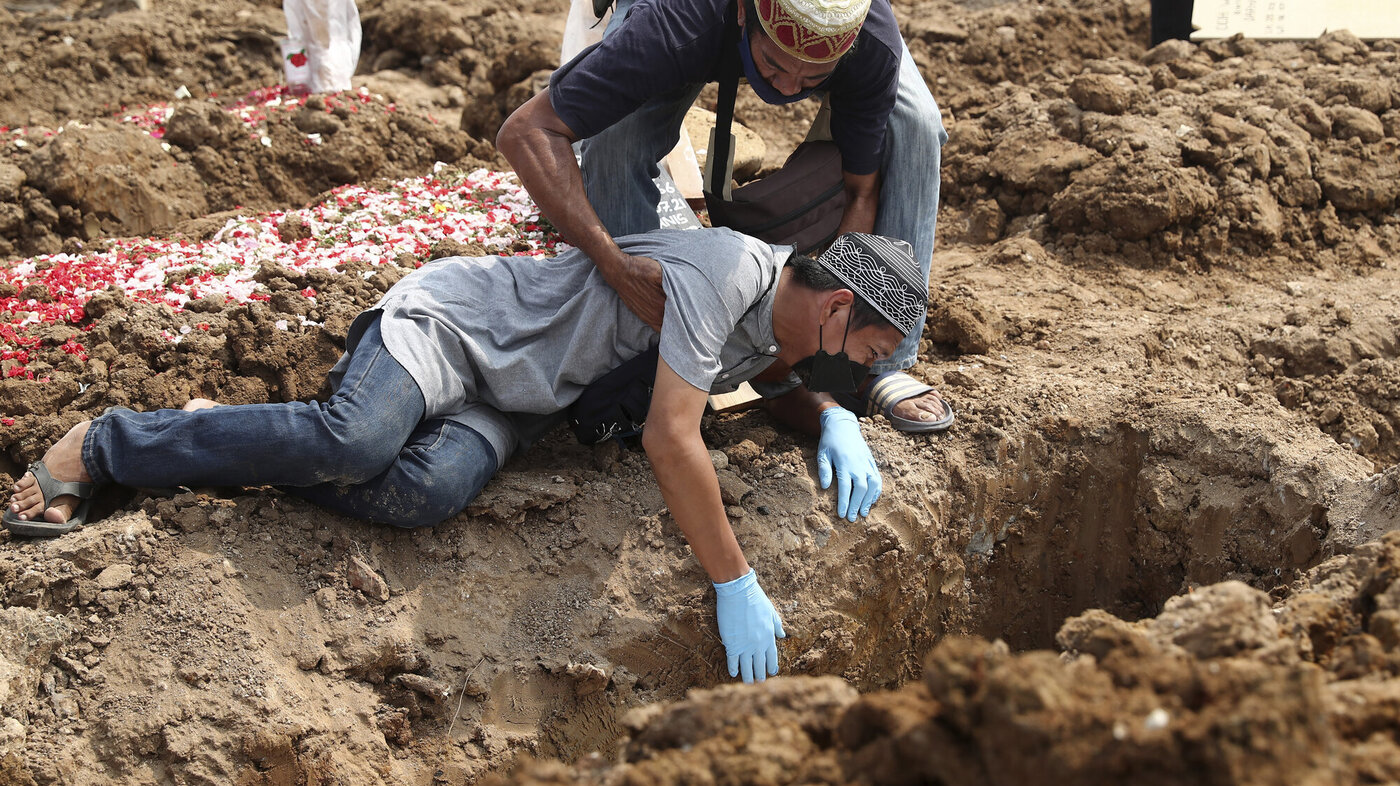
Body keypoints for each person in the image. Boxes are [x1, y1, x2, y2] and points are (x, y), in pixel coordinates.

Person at [5, 230, 928, 684]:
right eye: (866, 353)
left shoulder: (781, 318)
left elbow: (767, 373)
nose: (856, 372)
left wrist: (825, 420)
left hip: (513, 402)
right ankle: (106, 443)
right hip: (456, 331)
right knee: (353, 439)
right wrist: (733, 578)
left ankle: (233, 437)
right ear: (840, 310)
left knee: (427, 490)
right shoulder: (731, 271)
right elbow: (669, 436)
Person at [497, 0, 953, 434]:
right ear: (743, 12)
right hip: (694, 27)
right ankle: (645, 342)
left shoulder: (869, 38)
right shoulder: (673, 24)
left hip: (832, 39)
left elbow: (862, 188)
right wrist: (616, 265)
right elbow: (527, 130)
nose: (788, 87)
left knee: (915, 124)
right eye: (773, 64)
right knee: (619, 142)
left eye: (813, 75)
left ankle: (880, 365)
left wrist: (842, 328)